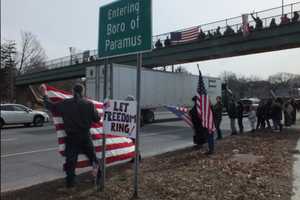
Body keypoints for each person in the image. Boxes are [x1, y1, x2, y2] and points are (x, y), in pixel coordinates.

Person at [40, 83, 101, 188]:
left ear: (73, 92)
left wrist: (44, 93)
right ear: (82, 92)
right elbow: (97, 119)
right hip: (85, 136)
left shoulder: (66, 103)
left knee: (71, 161)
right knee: (93, 158)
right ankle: (99, 177)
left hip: (72, 138)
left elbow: (50, 106)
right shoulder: (89, 104)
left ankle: (70, 182)